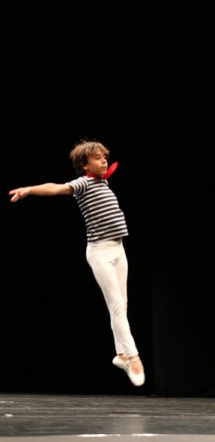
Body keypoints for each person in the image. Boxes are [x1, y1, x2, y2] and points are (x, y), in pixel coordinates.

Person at [8, 139, 145, 386]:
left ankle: (121, 354)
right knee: (116, 305)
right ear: (84, 165)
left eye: (105, 157)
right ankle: (133, 357)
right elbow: (56, 188)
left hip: (118, 249)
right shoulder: (83, 184)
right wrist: (29, 189)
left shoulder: (102, 182)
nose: (104, 161)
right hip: (100, 252)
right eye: (97, 158)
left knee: (121, 305)